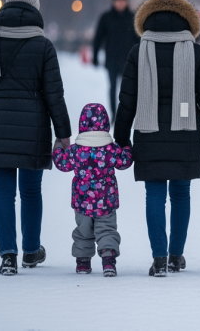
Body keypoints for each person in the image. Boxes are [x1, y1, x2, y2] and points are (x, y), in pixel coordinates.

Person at [114, 0, 200, 277]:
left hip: (148, 133)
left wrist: (122, 135)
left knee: (154, 194)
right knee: (180, 194)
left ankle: (160, 258)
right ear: (187, 22)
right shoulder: (197, 52)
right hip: (185, 134)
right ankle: (176, 255)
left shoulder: (138, 52)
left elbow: (127, 99)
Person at [0, 0, 71, 276]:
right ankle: (31, 251)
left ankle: (7, 256)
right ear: (34, 8)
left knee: (2, 193)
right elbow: (54, 94)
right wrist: (63, 133)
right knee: (30, 190)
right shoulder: (43, 45)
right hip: (33, 127)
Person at [53, 103, 133, 277]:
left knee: (83, 231)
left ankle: (82, 262)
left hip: (82, 202)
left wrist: (58, 146)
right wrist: (126, 146)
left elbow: (61, 163)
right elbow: (125, 161)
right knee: (107, 229)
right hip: (106, 201)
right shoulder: (111, 149)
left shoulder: (76, 150)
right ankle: (109, 261)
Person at [93, 0, 138, 119]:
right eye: (118, 1)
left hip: (128, 61)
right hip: (112, 59)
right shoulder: (106, 18)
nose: (120, 3)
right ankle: (114, 114)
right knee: (112, 88)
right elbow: (98, 37)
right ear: (114, 2)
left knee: (128, 90)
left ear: (126, 1)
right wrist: (95, 56)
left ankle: (127, 114)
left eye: (123, 1)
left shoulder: (133, 18)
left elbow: (139, 39)